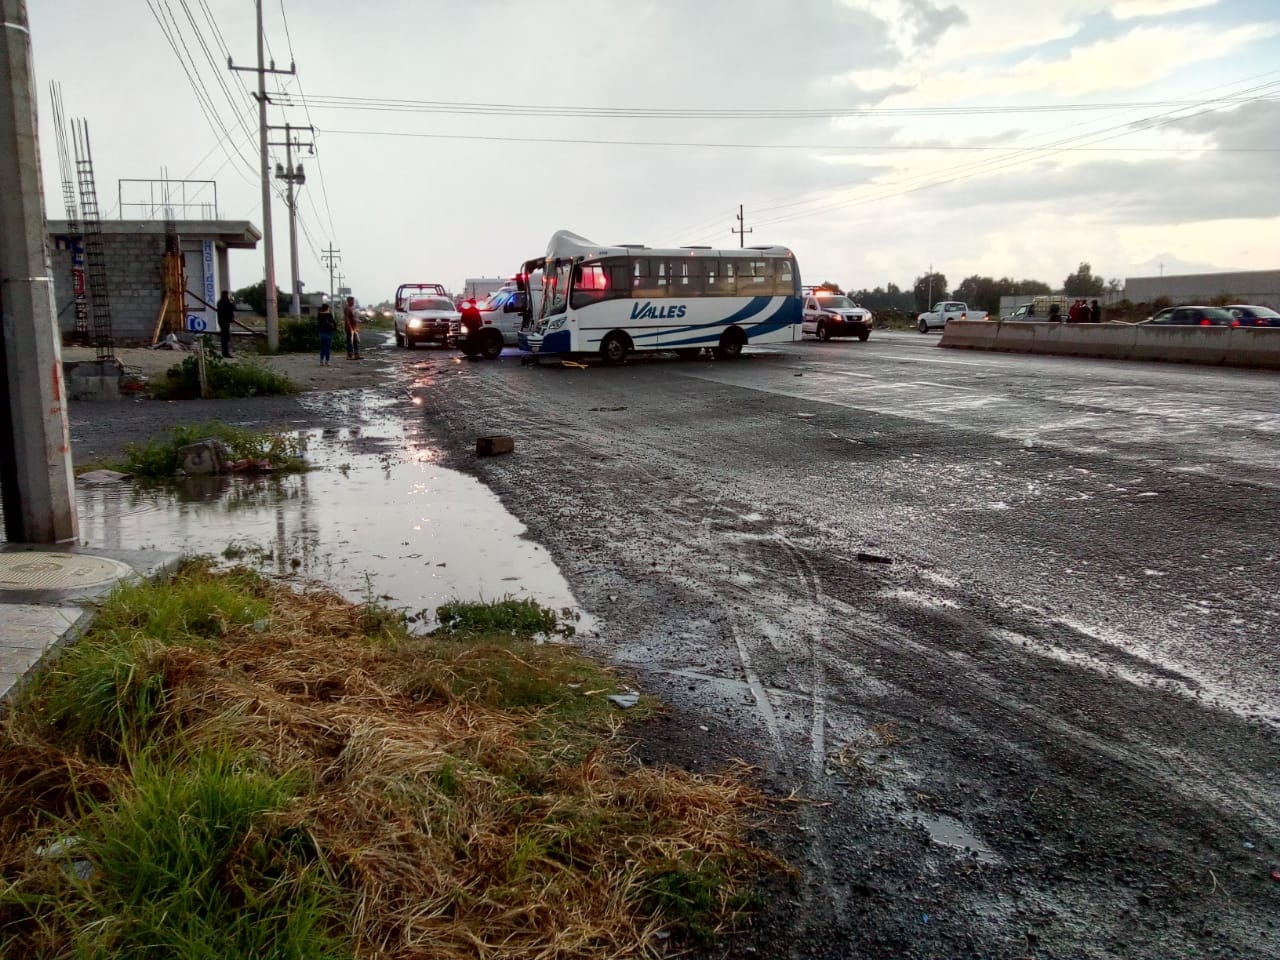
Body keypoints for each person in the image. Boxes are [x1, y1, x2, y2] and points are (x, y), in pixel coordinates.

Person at [216, 289, 235, 358]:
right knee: (225, 338)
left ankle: (225, 352)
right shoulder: (226, 301)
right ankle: (226, 353)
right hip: (225, 321)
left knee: (224, 337)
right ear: (226, 295)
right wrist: (232, 301)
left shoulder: (219, 302)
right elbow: (232, 308)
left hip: (221, 321)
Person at [316, 301, 336, 365]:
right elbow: (334, 323)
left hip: (322, 332)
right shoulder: (329, 315)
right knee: (328, 347)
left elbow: (318, 323)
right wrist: (334, 329)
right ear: (327, 308)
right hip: (329, 332)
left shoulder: (319, 315)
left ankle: (321, 361)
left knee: (323, 347)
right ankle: (327, 361)